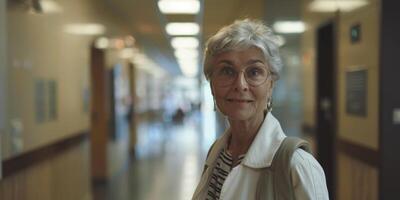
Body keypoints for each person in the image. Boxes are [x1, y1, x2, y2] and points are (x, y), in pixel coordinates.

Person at [192, 19, 329, 200]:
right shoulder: (217, 153)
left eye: (254, 72)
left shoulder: (298, 166)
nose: (240, 85)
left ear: (270, 85)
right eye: (227, 71)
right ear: (211, 85)